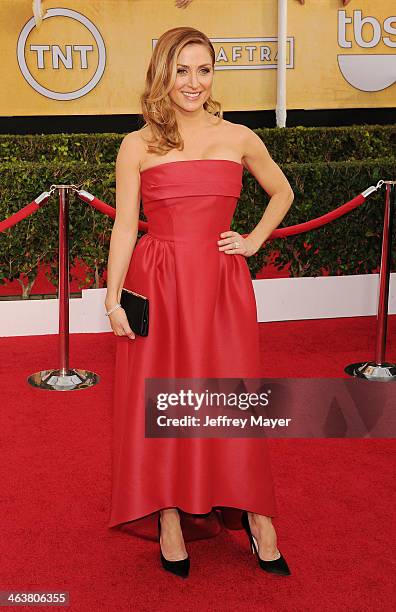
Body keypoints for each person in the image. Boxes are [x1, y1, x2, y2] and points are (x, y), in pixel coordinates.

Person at [105, 26, 294, 578]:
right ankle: (169, 518)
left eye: (203, 70)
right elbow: (122, 228)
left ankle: (259, 517)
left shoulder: (238, 137)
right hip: (159, 283)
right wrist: (115, 297)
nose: (193, 82)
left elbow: (281, 191)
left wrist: (254, 239)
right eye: (181, 70)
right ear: (162, 72)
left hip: (220, 287)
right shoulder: (137, 144)